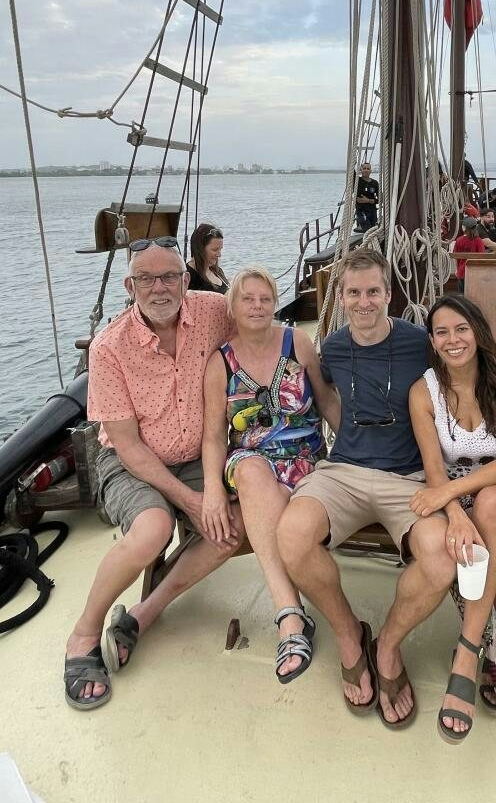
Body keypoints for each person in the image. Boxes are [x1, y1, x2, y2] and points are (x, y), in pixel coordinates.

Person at [277, 247, 454, 728]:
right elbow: (329, 396)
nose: (363, 302)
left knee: (439, 560)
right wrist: (347, 428)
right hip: (346, 472)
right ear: (341, 295)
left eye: (373, 291)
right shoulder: (332, 347)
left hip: (409, 478)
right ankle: (351, 637)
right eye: (353, 292)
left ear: (388, 294)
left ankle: (389, 647)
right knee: (291, 537)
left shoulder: (421, 343)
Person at [63, 237, 238, 710]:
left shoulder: (213, 311)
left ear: (186, 278)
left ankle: (141, 615)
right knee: (153, 531)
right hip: (132, 463)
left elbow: (263, 323)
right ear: (130, 283)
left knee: (233, 530)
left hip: (201, 452)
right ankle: (82, 635)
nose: (159, 287)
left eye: (170, 276)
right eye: (147, 278)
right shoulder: (109, 348)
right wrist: (191, 499)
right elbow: (127, 445)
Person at [407, 294, 496, 742]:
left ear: (478, 332)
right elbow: (434, 471)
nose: (453, 339)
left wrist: (449, 497)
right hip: (453, 491)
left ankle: (467, 651)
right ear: (432, 340)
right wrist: (451, 513)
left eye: (461, 329)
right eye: (442, 332)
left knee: (487, 503)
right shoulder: (423, 393)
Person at [200, 266, 337, 683]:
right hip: (251, 460)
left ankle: (294, 613)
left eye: (265, 299)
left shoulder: (297, 342)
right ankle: (290, 617)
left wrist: (356, 451)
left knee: (276, 504)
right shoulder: (220, 364)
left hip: (306, 457)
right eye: (248, 299)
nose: (257, 306)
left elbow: (327, 401)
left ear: (275, 303)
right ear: (233, 307)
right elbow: (212, 437)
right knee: (253, 472)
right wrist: (211, 491)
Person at [187, 223, 229, 293]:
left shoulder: (218, 271)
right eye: (215, 250)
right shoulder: (189, 276)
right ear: (200, 249)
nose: (219, 255)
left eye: (220, 249)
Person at [354, 162, 380, 232]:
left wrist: (368, 200)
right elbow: (351, 173)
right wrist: (353, 163)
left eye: (368, 168)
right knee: (367, 229)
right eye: (364, 168)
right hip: (361, 211)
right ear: (361, 170)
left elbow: (380, 200)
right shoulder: (356, 181)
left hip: (372, 211)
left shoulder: (375, 183)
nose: (366, 170)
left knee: (373, 230)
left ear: (371, 171)